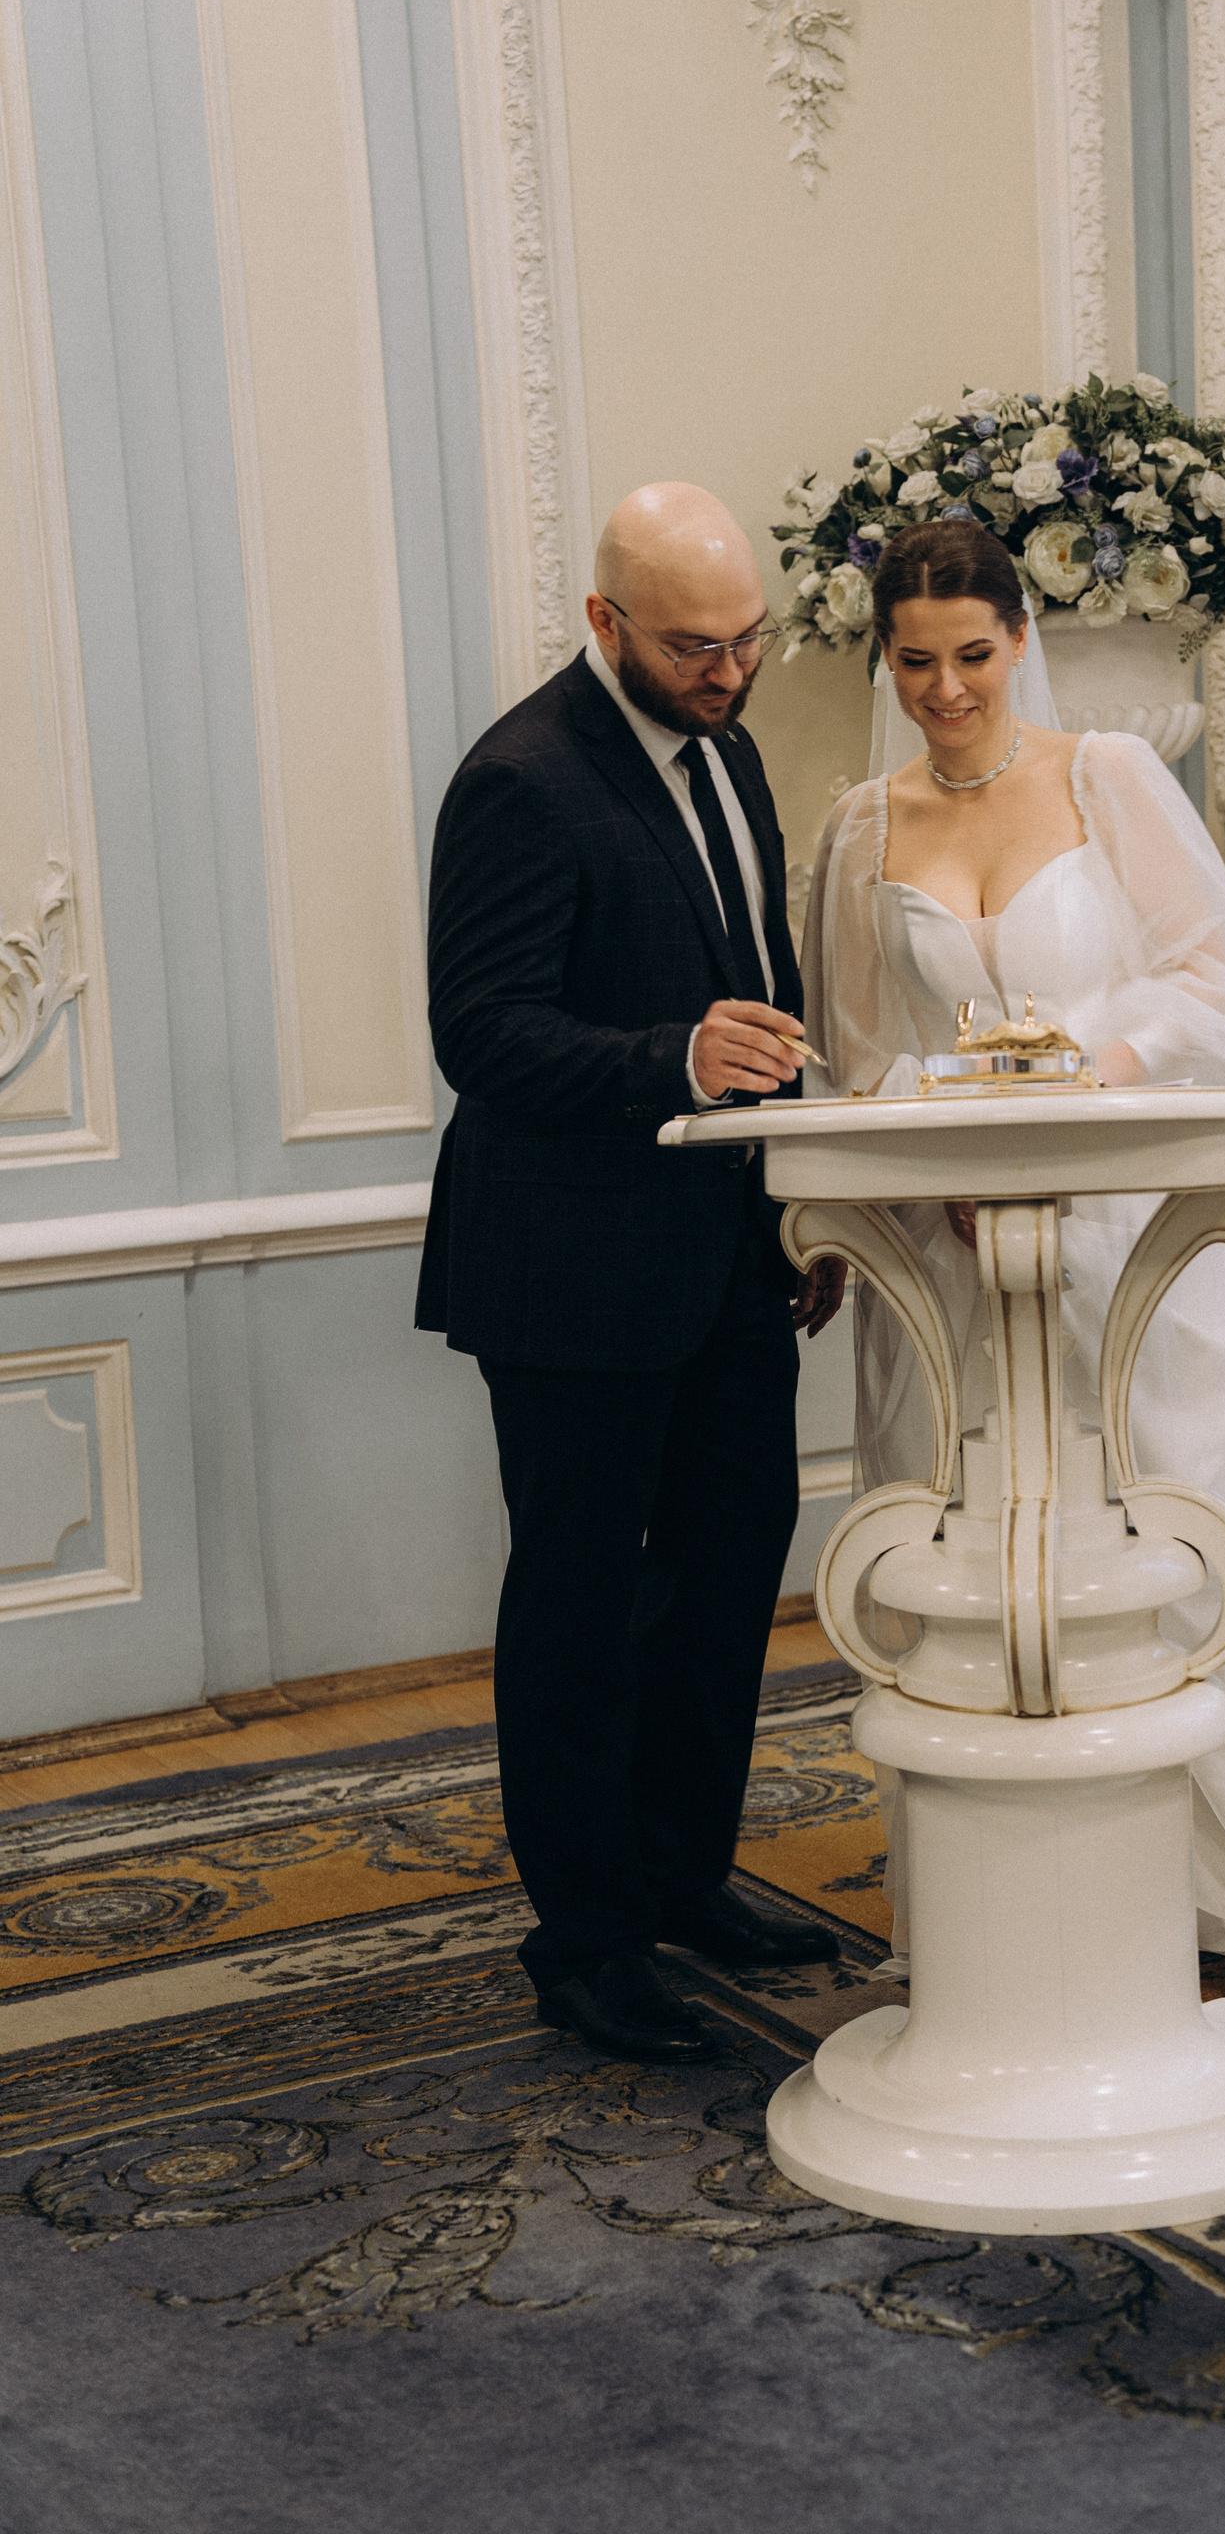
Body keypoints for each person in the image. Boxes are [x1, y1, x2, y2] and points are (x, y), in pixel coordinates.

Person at [802, 520, 1225, 1995]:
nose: (946, 690)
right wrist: (948, 1149)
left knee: (1177, 1536)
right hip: (954, 1257)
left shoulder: (1108, 777)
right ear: (884, 661)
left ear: (1020, 638)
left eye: (972, 655)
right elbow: (855, 1058)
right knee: (975, 1559)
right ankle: (993, 1900)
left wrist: (1081, 1076)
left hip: (1132, 1234)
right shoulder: (860, 830)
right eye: (914, 662)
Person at [417, 481, 848, 2063]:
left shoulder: (733, 752)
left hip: (730, 1259)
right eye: (691, 648)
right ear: (605, 623)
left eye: (749, 641)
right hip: (572, 1272)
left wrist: (797, 1206)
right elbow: (481, 1033)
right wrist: (671, 1057)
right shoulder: (521, 778)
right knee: (582, 1611)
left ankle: (680, 1875)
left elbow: (765, 999)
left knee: (729, 1579)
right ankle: (589, 1942)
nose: (730, 674)